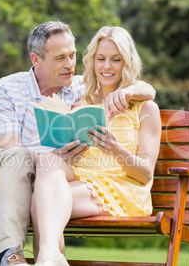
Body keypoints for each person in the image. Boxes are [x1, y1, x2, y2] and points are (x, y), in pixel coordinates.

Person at [0, 21, 156, 266]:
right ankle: (13, 255)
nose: (69, 64)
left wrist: (130, 91)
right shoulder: (4, 89)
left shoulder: (79, 88)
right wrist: (56, 156)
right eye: (60, 58)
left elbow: (141, 88)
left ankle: (35, 259)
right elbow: (8, 149)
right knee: (21, 157)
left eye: (72, 55)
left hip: (31, 186)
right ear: (36, 59)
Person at [30, 26, 162, 265]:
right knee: (49, 162)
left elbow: (145, 174)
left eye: (115, 59)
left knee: (40, 202)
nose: (107, 66)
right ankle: (52, 258)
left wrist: (116, 149)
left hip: (124, 188)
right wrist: (65, 151)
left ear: (127, 62)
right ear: (92, 61)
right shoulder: (82, 104)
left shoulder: (145, 108)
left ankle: (48, 258)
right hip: (83, 180)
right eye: (101, 59)